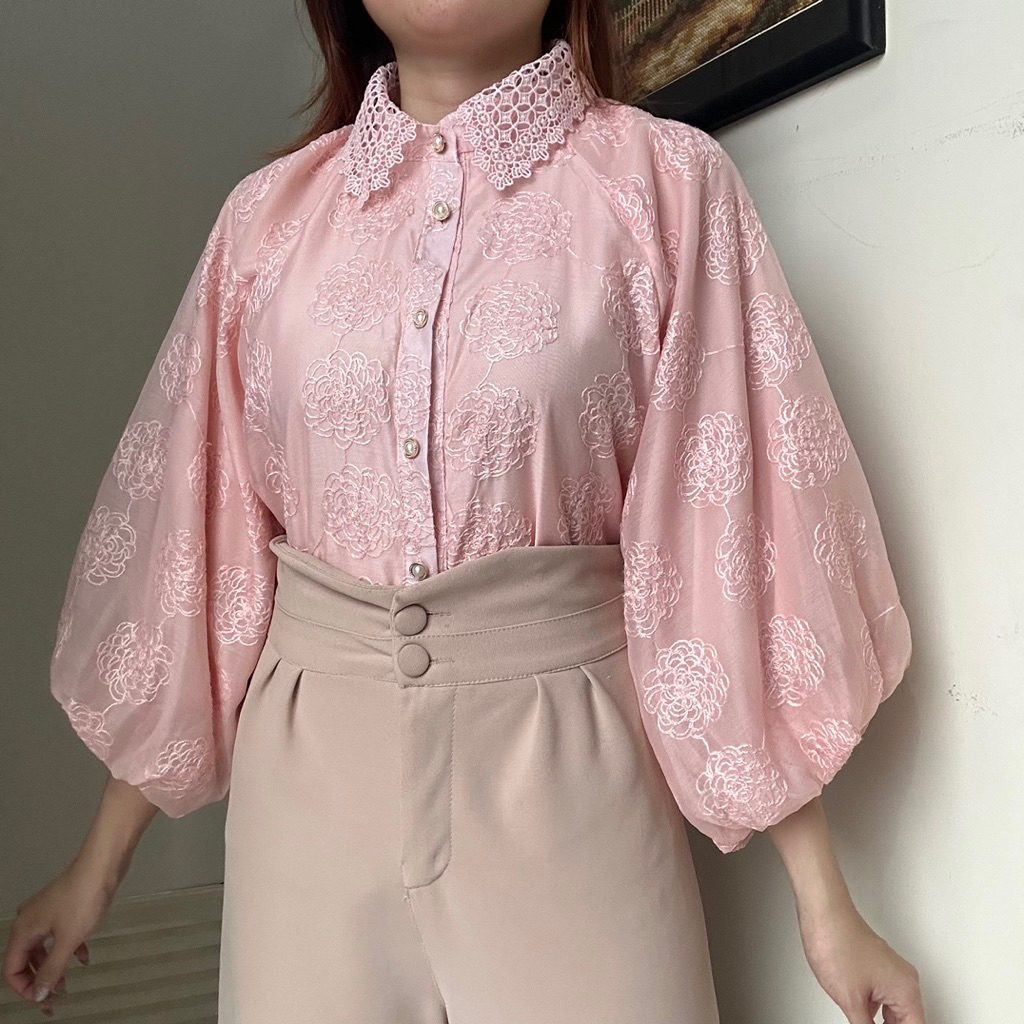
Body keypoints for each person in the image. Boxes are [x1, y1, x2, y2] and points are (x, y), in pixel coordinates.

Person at [4, 1, 926, 1021]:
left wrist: (826, 908)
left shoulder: (665, 186)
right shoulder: (263, 223)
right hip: (308, 799)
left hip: (570, 784)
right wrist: (94, 869)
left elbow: (724, 539)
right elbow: (199, 550)